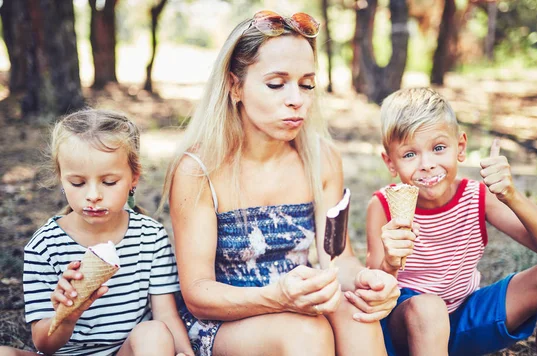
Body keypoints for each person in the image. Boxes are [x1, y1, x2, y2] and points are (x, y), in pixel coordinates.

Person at [161, 10, 400, 356]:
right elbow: (198, 294)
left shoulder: (321, 159)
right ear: (235, 85)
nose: (296, 99)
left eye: (307, 84)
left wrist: (366, 282)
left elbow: (340, 258)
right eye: (276, 84)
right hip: (224, 324)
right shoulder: (198, 170)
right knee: (306, 332)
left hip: (298, 304)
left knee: (355, 314)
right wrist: (277, 297)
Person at [366, 88, 537, 356]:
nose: (427, 164)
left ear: (461, 147)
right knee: (429, 309)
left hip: (465, 319)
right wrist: (390, 260)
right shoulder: (383, 206)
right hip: (409, 328)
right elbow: (375, 290)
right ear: (390, 162)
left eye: (438, 148)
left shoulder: (478, 196)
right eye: (410, 154)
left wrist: (512, 196)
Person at [2, 109, 193, 356]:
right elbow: (43, 344)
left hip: (122, 352)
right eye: (78, 183)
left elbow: (166, 315)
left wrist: (187, 354)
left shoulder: (150, 237)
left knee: (154, 332)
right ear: (61, 178)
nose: (93, 195)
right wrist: (68, 314)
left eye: (109, 182)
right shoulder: (44, 245)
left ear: (134, 177)